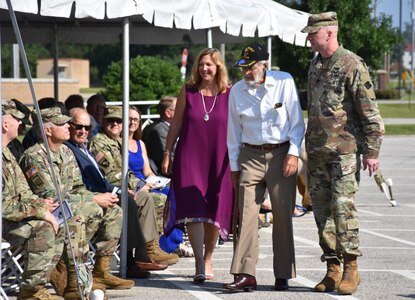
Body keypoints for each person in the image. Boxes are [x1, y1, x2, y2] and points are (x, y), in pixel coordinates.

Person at [301, 12, 384, 295]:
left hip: (344, 153)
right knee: (322, 212)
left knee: (343, 208)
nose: (309, 37)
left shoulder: (351, 64)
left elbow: (370, 113)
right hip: (317, 152)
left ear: (329, 33)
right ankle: (332, 268)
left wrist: (371, 151)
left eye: (313, 33)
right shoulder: (315, 65)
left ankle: (351, 268)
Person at [19, 107, 135, 299]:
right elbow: (51, 195)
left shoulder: (65, 151)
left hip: (71, 205)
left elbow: (78, 187)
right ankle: (75, 280)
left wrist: (97, 197)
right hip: (50, 211)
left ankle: (100, 271)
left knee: (113, 210)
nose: (68, 126)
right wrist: (93, 198)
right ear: (47, 130)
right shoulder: (34, 157)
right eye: (62, 124)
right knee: (80, 214)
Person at [224, 42, 305, 292]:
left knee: (282, 217)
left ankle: (283, 274)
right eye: (243, 68)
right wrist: (234, 167)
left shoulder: (284, 81)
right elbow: (233, 132)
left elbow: (297, 122)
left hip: (281, 153)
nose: (247, 72)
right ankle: (245, 274)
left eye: (251, 67)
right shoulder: (237, 91)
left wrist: (293, 154)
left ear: (265, 65)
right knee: (246, 215)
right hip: (249, 154)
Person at [65, 107, 168, 278]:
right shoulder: (91, 144)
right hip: (92, 195)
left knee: (150, 197)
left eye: (119, 121)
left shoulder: (86, 146)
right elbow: (110, 174)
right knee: (132, 201)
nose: (83, 131)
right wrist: (128, 188)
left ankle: (145, 252)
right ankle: (135, 258)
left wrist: (129, 188)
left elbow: (118, 174)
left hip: (111, 189)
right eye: (78, 127)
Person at [161, 48, 233, 283]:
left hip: (220, 158)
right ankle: (199, 262)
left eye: (209, 65)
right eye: (201, 64)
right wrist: (167, 153)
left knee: (213, 210)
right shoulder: (189, 91)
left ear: (218, 67)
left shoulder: (229, 93)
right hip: (190, 157)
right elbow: (176, 125)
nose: (205, 69)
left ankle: (209, 258)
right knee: (194, 210)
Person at [88, 106, 179, 265]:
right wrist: (139, 186)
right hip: (108, 191)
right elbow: (111, 173)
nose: (115, 124)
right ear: (103, 121)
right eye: (111, 120)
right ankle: (147, 251)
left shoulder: (116, 142)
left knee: (163, 197)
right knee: (149, 198)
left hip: (125, 188)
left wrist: (143, 184)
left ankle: (149, 250)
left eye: (119, 120)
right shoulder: (99, 142)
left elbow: (127, 171)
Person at [1, 100, 64, 300]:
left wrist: (41, 204)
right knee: (43, 227)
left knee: (59, 220)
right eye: (17, 120)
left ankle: (47, 282)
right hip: (5, 222)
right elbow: (3, 206)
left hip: (14, 217)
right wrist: (39, 211)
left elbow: (22, 192)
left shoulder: (8, 153)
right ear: (4, 125)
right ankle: (30, 292)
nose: (22, 125)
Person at [142, 96, 177, 174]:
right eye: (180, 108)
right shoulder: (159, 130)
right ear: (168, 113)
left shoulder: (174, 128)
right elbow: (169, 160)